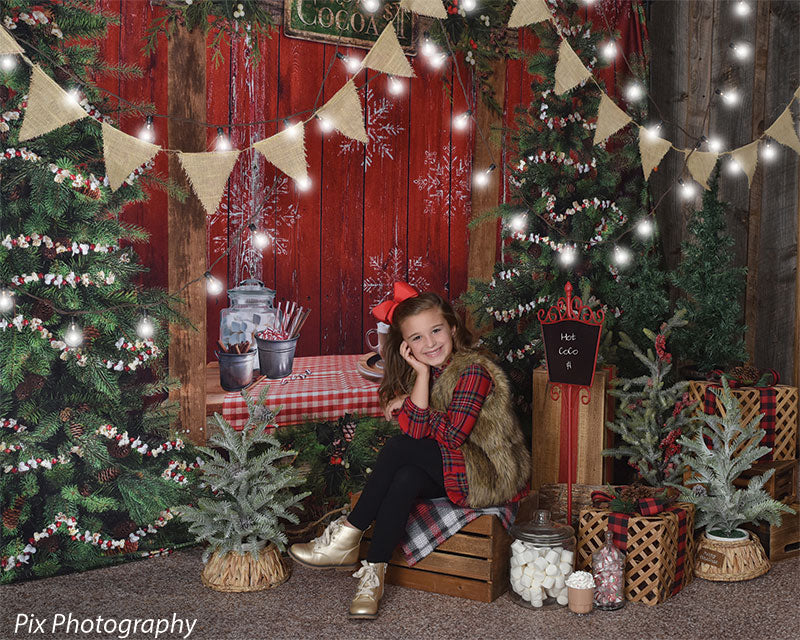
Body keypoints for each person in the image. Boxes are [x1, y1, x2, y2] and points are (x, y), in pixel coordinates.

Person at [289, 283, 530, 619]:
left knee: (402, 447)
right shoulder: (431, 371)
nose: (429, 343)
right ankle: (373, 576)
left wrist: (414, 399)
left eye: (436, 331)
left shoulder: (473, 370)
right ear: (405, 345)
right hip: (456, 466)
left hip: (487, 472)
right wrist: (420, 374)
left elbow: (453, 435)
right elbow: (419, 430)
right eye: (417, 338)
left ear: (453, 329)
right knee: (405, 477)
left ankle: (349, 534)